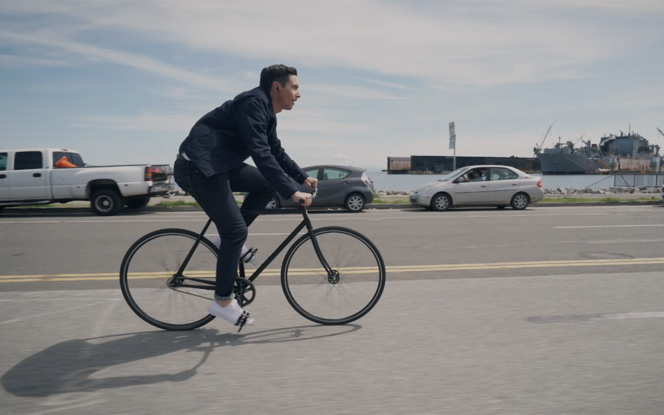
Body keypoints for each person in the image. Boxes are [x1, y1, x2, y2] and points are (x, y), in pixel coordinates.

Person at [173, 64, 318, 330]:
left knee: (265, 187)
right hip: (199, 167)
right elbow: (261, 153)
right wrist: (291, 191)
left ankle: (225, 238)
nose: (299, 94)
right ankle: (223, 301)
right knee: (236, 232)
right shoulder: (253, 103)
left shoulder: (266, 112)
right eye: (295, 87)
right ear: (277, 88)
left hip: (220, 164)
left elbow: (275, 150)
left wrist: (300, 176)